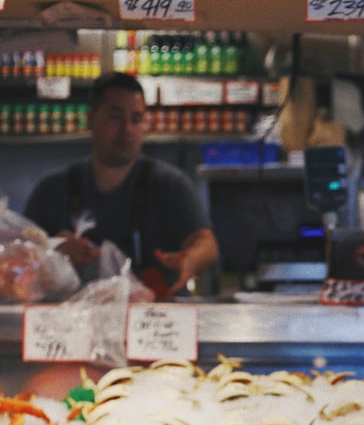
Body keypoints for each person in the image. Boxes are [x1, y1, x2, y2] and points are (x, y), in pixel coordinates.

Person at [24, 71, 219, 297]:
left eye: (136, 119)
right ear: (90, 119)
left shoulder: (171, 185)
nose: (127, 129)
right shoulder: (52, 190)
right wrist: (52, 250)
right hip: (73, 322)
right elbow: (21, 255)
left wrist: (190, 259)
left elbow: (206, 243)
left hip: (155, 322)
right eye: (115, 117)